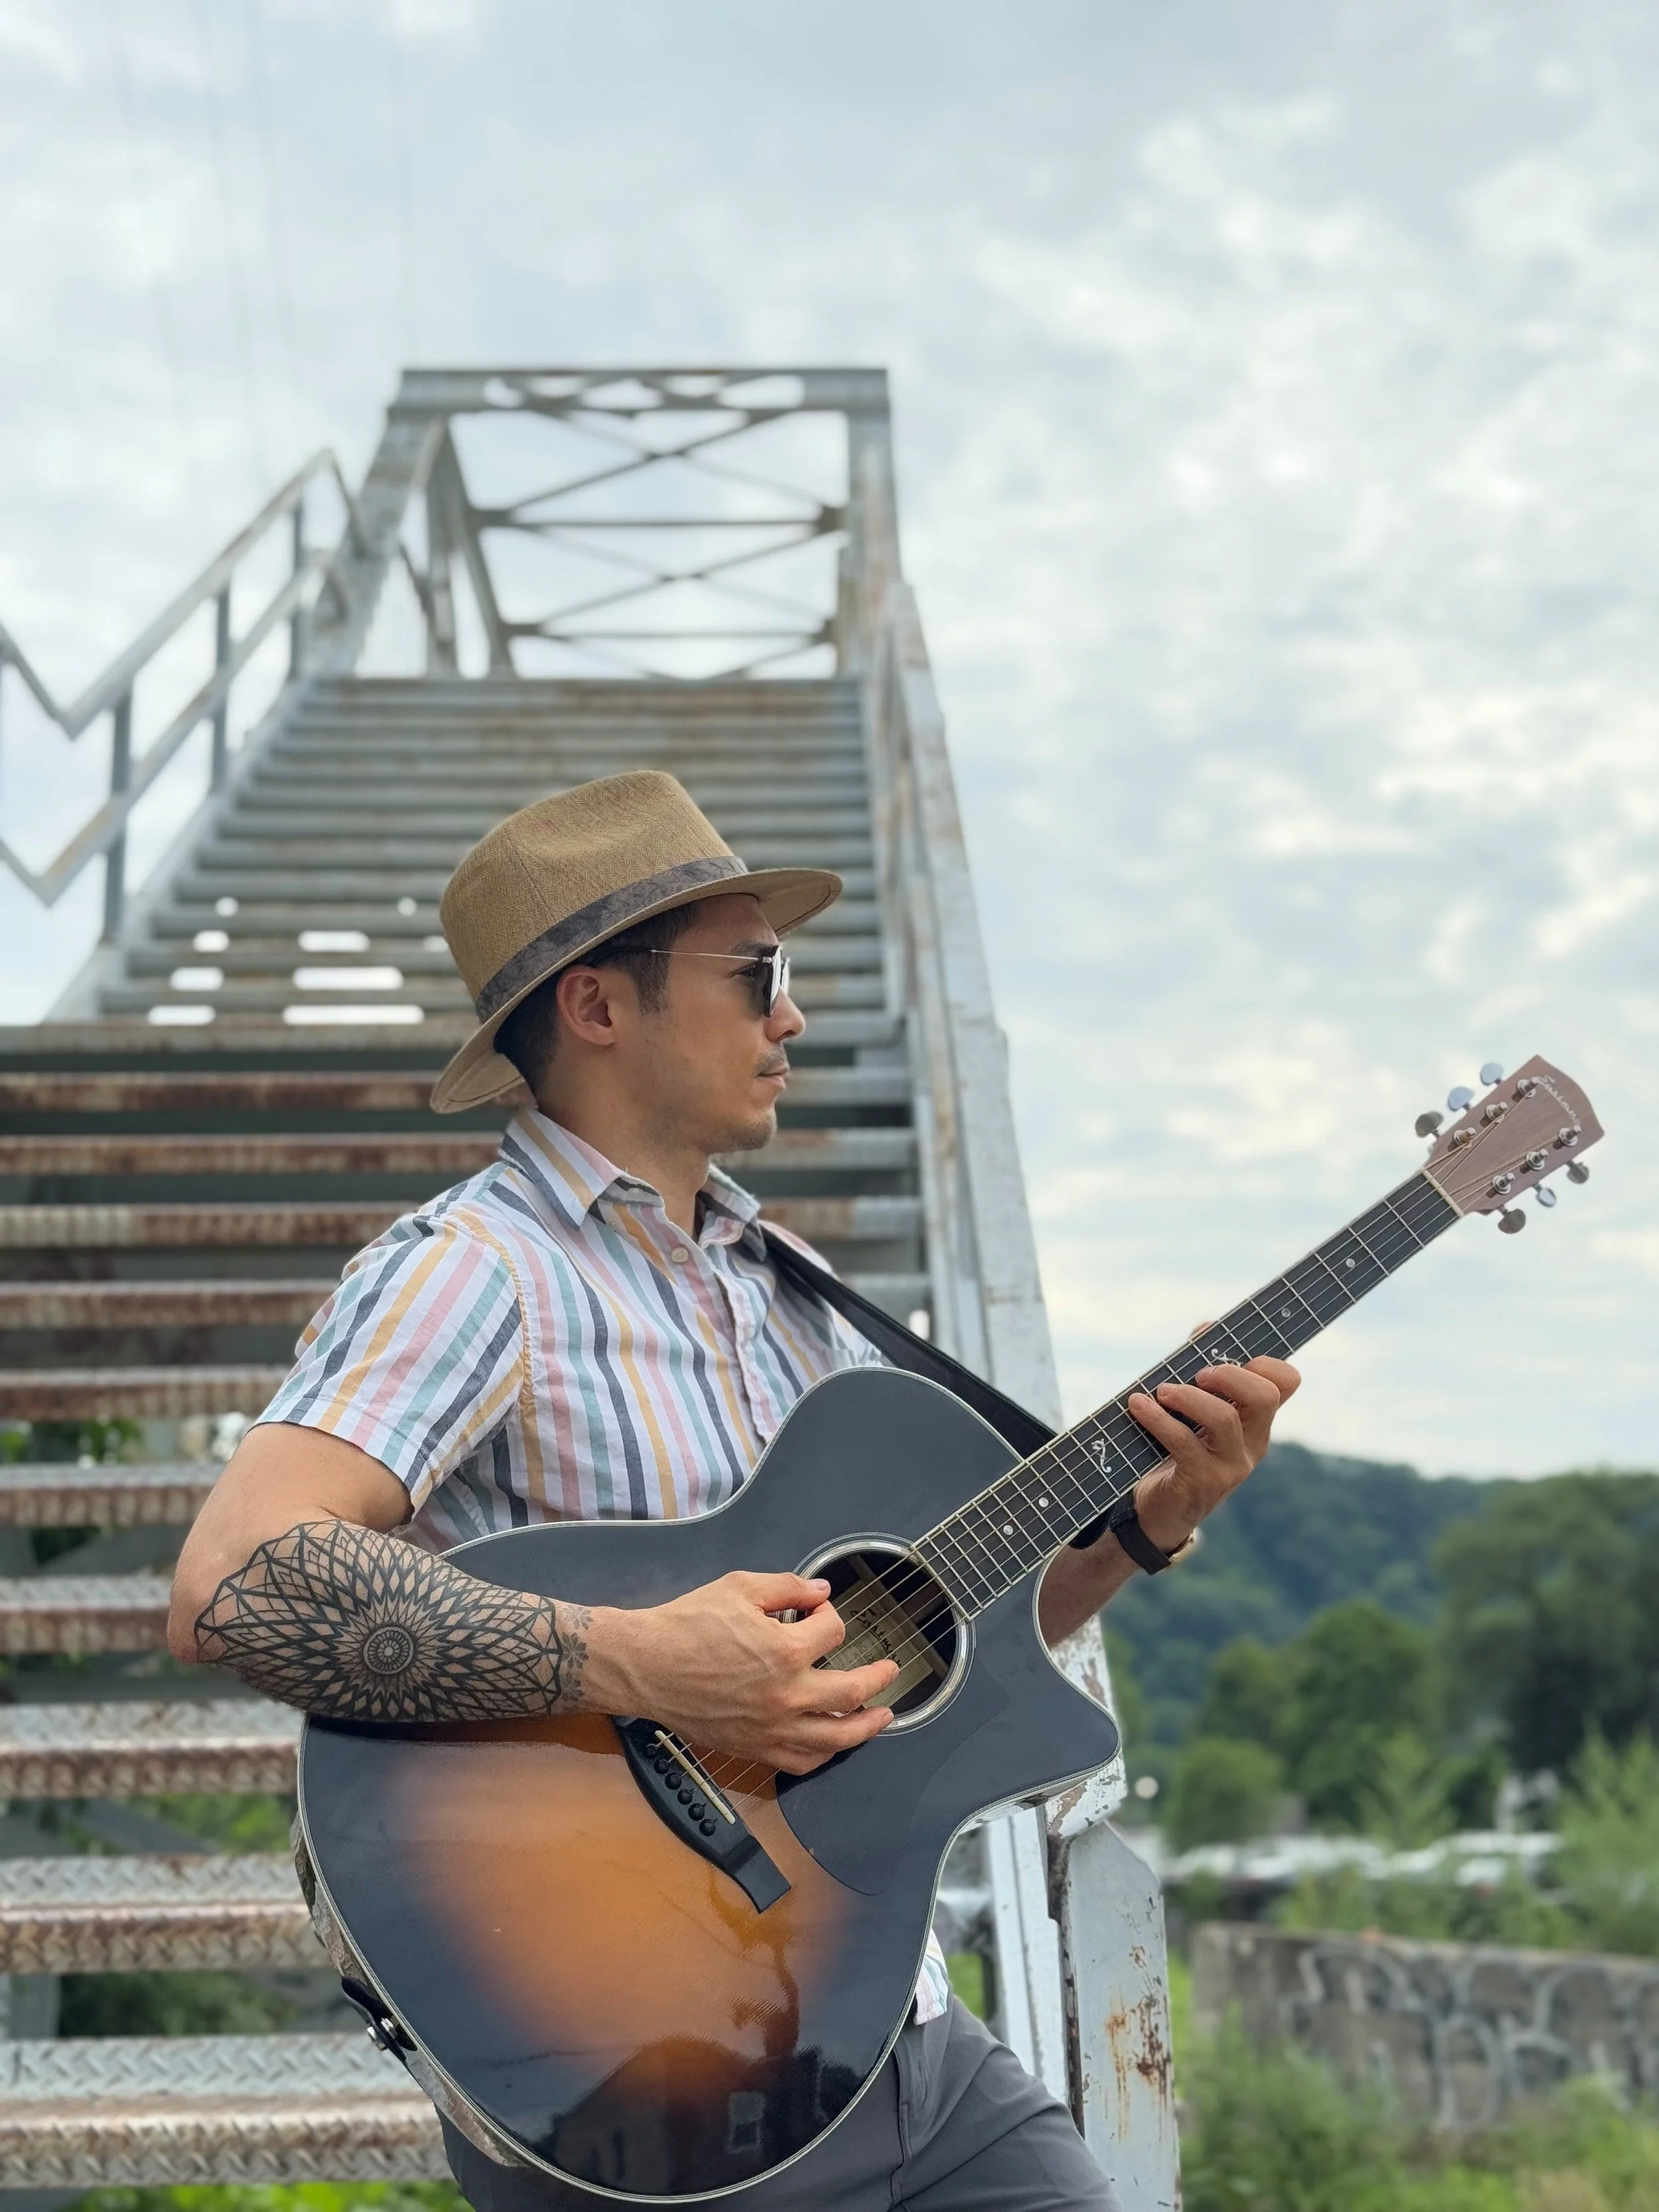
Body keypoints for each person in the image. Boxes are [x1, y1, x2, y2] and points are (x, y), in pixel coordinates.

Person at [169, 769, 1299, 2211]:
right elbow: (235, 1580)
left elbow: (947, 1626)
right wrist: (644, 1660)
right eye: (754, 971)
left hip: (888, 2020)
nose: (792, 1016)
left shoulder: (792, 1296)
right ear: (596, 1006)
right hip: (638, 2062)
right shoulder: (474, 1270)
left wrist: (1146, 1520)